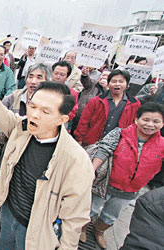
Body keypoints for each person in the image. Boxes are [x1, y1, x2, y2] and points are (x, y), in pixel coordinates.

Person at [0, 32, 93, 250]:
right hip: (8, 212)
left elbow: (74, 218)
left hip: (36, 230)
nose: (34, 115)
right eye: (33, 107)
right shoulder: (21, 127)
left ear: (63, 119)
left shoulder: (77, 160)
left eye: (45, 111)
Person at [0, 62, 51, 246]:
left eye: (39, 77)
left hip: (31, 180)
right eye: (31, 76)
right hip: (8, 161)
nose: (33, 81)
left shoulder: (55, 111)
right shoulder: (15, 101)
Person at [85, 102, 164, 249]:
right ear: (136, 119)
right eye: (146, 119)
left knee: (110, 216)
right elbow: (104, 150)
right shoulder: (120, 133)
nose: (150, 125)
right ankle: (82, 229)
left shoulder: (162, 144)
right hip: (105, 184)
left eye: (156, 121)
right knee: (90, 209)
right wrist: (92, 171)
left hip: (130, 190)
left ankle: (99, 231)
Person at [75, 69, 141, 146]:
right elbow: (84, 121)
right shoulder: (96, 101)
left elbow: (134, 126)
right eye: (114, 81)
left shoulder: (134, 103)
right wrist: (79, 139)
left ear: (127, 85)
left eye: (121, 81)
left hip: (118, 145)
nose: (117, 84)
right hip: (93, 143)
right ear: (108, 84)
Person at [70, 67, 111, 134]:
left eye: (107, 76)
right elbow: (86, 81)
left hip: (92, 122)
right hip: (79, 117)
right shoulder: (93, 84)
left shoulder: (111, 91)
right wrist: (85, 74)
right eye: (103, 75)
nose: (104, 77)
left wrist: (106, 88)